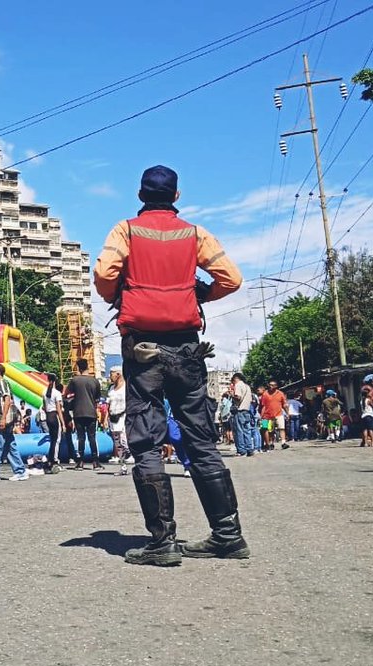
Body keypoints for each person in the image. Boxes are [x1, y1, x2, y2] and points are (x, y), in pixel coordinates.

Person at [94, 164, 248, 566]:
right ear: (177, 197)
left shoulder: (125, 230)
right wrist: (197, 293)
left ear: (140, 195)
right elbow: (231, 278)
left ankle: (162, 542)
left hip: (142, 349)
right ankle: (228, 535)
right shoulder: (195, 234)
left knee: (145, 439)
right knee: (200, 439)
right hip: (186, 349)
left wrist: (122, 295)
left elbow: (103, 274)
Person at [0, 364, 29, 482]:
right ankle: (20, 471)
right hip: (3, 418)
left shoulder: (2, 383)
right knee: (9, 445)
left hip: (2, 419)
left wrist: (3, 418)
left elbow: (7, 399)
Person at [67, 359, 102, 470]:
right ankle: (95, 462)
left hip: (78, 412)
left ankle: (80, 462)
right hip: (91, 412)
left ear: (78, 368)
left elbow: (66, 394)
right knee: (92, 437)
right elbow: (97, 399)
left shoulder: (75, 380)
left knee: (80, 438)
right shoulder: (95, 381)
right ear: (87, 367)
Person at [230, 374, 255, 457]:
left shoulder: (238, 385)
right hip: (247, 410)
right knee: (247, 430)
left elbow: (238, 397)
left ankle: (241, 450)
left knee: (239, 431)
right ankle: (249, 449)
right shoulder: (247, 387)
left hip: (239, 411)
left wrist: (232, 394)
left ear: (235, 379)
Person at [43, 373, 65, 467]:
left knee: (52, 439)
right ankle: (54, 459)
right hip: (54, 416)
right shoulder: (57, 393)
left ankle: (51, 458)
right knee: (56, 439)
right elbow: (59, 410)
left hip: (48, 416)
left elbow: (44, 406)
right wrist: (63, 423)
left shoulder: (44, 392)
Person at [108, 366, 128, 464]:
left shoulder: (126, 387)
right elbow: (109, 404)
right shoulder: (111, 388)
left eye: (111, 374)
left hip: (124, 417)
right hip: (113, 417)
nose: (110, 376)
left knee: (124, 440)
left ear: (118, 374)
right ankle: (122, 465)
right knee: (117, 443)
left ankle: (131, 456)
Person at [260, 381, 288, 450]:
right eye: (269, 385)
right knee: (270, 430)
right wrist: (262, 416)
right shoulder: (265, 394)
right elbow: (263, 406)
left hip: (279, 414)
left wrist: (287, 413)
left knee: (281, 428)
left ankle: (283, 443)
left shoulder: (280, 393)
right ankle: (271, 443)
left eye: (272, 385)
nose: (270, 386)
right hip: (268, 415)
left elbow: (284, 404)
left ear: (276, 386)